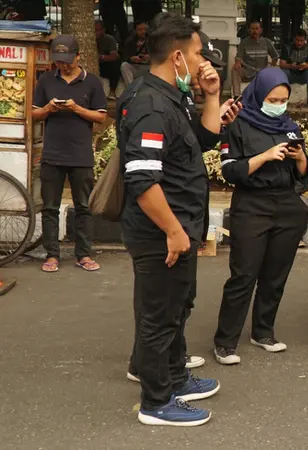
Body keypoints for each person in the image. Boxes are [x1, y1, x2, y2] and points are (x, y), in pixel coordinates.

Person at [119, 13, 223, 426]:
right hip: (161, 233)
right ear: (178, 56)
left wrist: (211, 95)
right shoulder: (149, 104)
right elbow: (143, 180)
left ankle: (175, 377)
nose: (203, 62)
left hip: (179, 228)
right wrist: (175, 232)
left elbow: (204, 140)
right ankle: (156, 401)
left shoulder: (171, 96)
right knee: (159, 315)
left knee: (178, 307)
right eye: (199, 54)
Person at [213, 68, 308, 365]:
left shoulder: (290, 126)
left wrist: (300, 158)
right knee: (243, 275)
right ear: (258, 95)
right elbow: (229, 170)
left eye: (283, 99)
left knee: (275, 274)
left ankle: (263, 331)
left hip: (286, 204)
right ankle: (225, 341)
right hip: (252, 204)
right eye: (273, 99)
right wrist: (265, 156)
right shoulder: (238, 124)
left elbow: (306, 176)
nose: (278, 104)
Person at [32, 35, 107, 274]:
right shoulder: (45, 80)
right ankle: (52, 254)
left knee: (83, 207)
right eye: (58, 61)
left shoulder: (92, 82)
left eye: (67, 61)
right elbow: (33, 114)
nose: (62, 66)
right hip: (52, 153)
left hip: (80, 154)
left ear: (78, 56)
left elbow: (101, 117)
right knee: (50, 207)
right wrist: (48, 109)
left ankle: (83, 254)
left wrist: (76, 108)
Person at [232, 21, 279, 97]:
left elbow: (275, 57)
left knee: (275, 72)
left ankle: (271, 96)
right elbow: (238, 57)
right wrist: (237, 63)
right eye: (252, 29)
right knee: (235, 70)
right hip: (248, 71)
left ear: (261, 30)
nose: (255, 31)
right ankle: (237, 96)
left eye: (257, 29)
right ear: (249, 30)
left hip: (262, 72)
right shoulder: (244, 42)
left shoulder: (267, 42)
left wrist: (271, 67)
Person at [279, 29, 308, 107]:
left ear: (305, 40)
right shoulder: (287, 47)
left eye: (301, 41)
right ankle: (282, 97)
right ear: (294, 39)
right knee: (283, 72)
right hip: (290, 74)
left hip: (303, 75)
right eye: (297, 40)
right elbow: (282, 64)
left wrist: (305, 66)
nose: (299, 43)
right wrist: (291, 66)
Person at [96, 21, 121, 99]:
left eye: (99, 30)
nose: (96, 32)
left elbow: (114, 56)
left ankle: (112, 91)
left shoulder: (109, 39)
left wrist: (102, 57)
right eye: (95, 30)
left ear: (103, 30)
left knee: (115, 64)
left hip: (104, 64)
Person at [121, 21, 150, 86]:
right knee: (124, 65)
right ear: (135, 31)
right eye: (140, 30)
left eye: (145, 29)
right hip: (135, 66)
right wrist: (131, 58)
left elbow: (159, 54)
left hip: (149, 67)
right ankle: (131, 88)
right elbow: (125, 56)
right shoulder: (130, 41)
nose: (143, 32)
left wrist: (151, 57)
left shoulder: (153, 39)